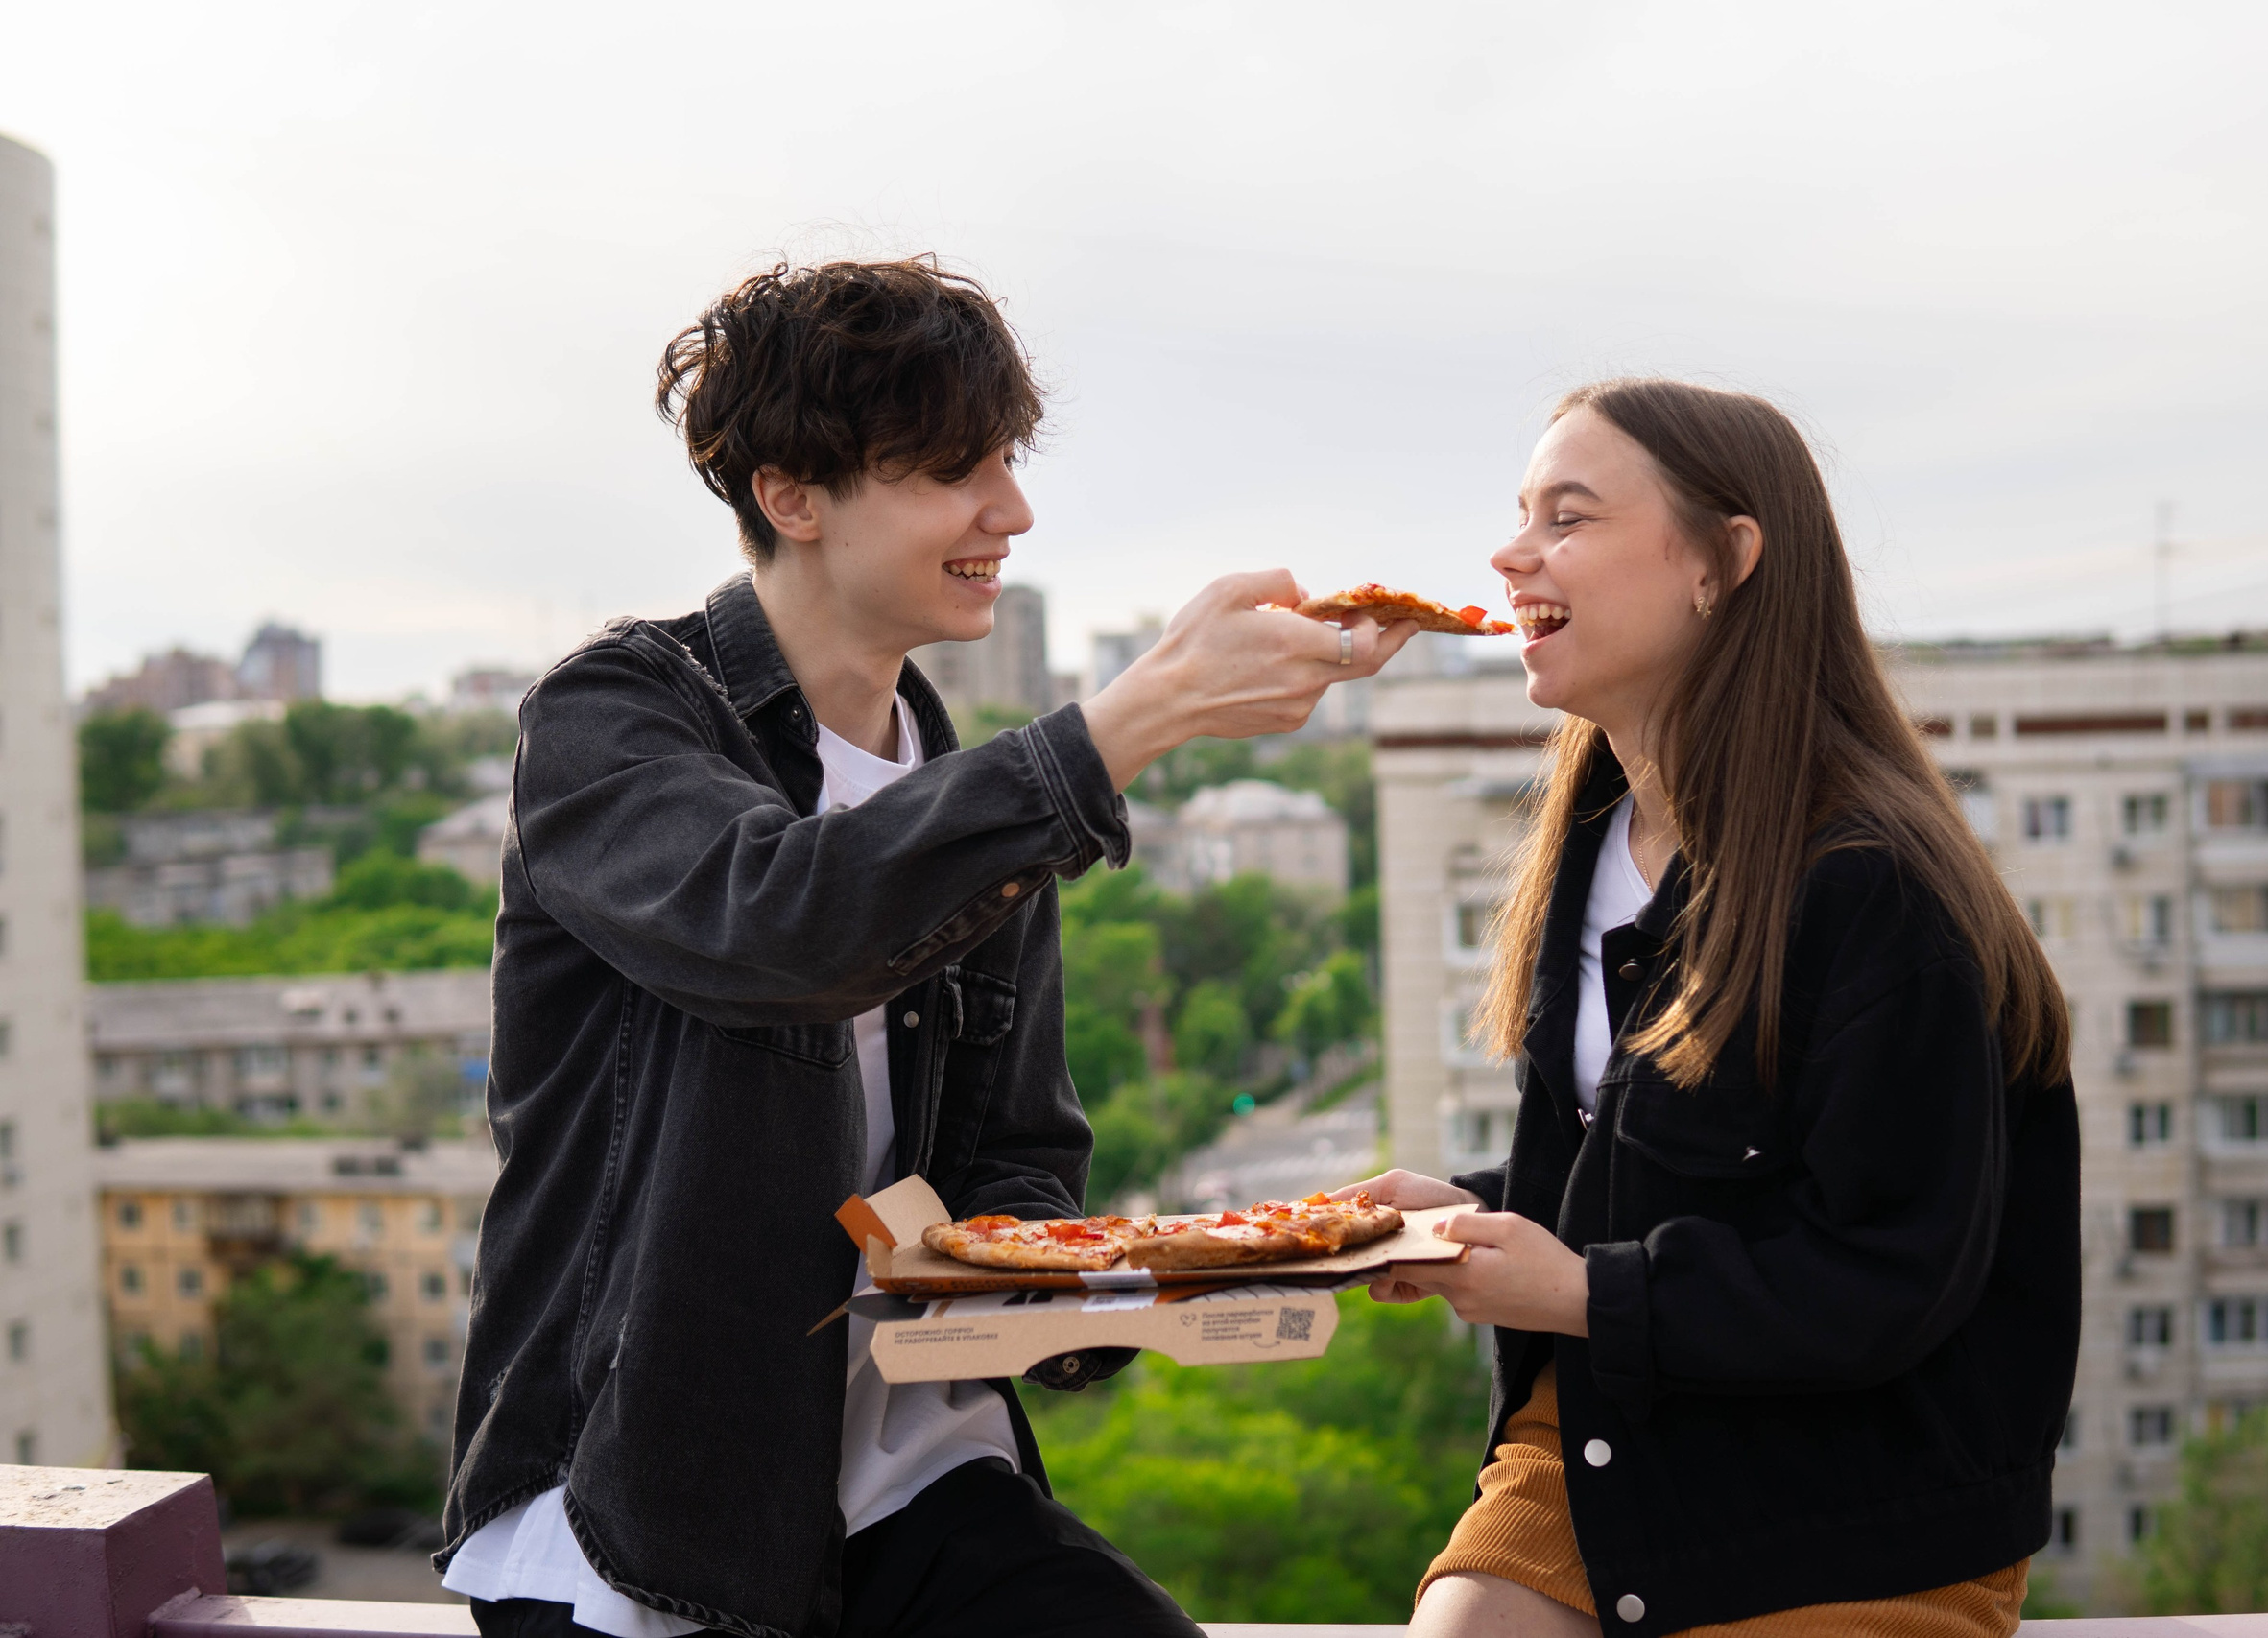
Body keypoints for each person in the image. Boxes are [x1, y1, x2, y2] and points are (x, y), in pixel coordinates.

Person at [432, 257, 1414, 1638]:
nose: (1011, 511)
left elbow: (1014, 1156)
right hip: (641, 1517)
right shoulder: (611, 717)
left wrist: (1156, 1276)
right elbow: (783, 929)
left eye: (1007, 461)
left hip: (910, 1476)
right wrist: (1131, 720)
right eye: (958, 469)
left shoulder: (963, 791)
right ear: (793, 496)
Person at [1339, 379, 2080, 1637]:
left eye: (1568, 518)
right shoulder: (1592, 836)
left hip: (1857, 1497)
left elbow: (1891, 1275)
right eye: (1520, 516)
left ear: (1723, 563)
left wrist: (1583, 1294)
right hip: (1613, 1433)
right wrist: (1465, 1217)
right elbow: (1655, 1176)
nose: (1511, 556)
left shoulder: (1874, 887)